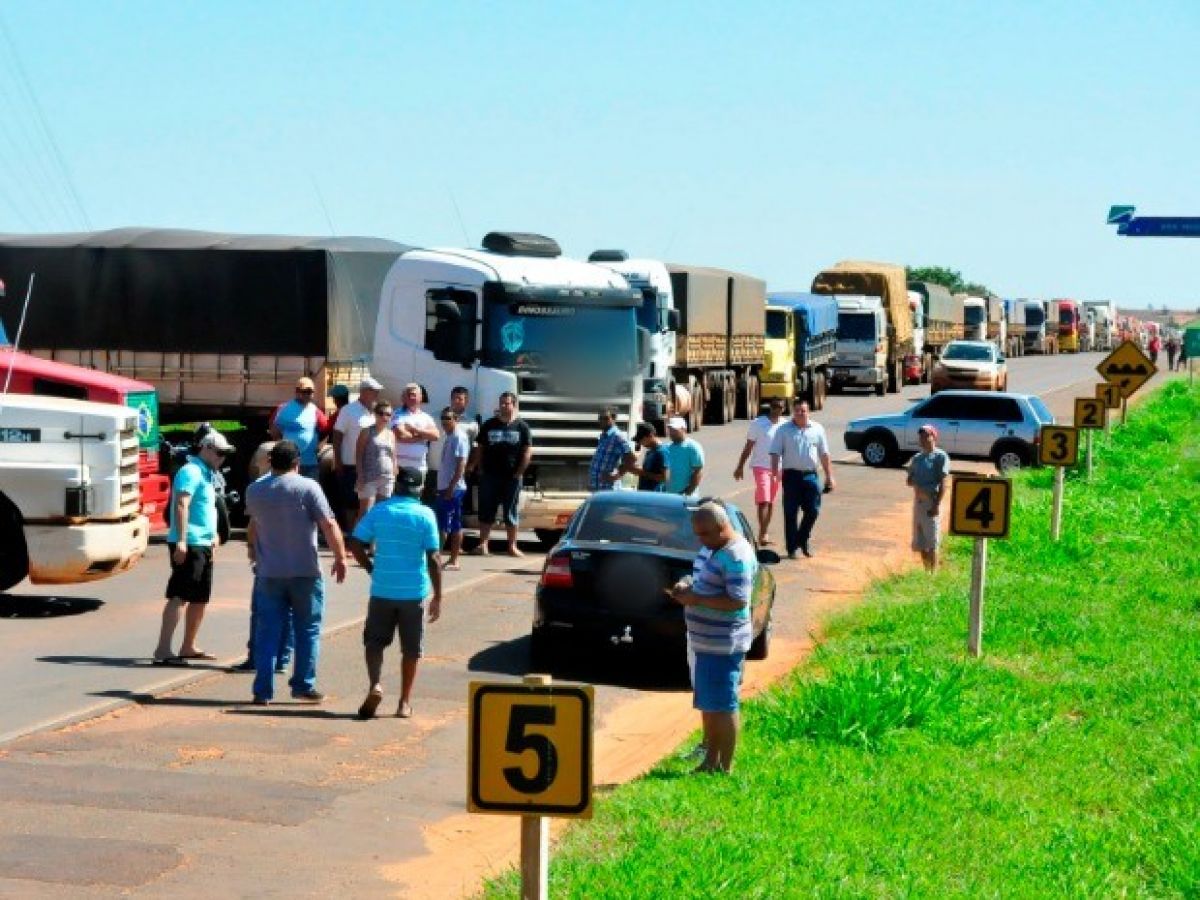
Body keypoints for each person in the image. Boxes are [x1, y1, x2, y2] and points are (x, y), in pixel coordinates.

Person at [245, 441, 349, 705]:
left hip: (269, 573)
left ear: (271, 462)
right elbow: (328, 523)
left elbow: (253, 526)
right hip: (305, 571)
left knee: (267, 632)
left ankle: (262, 689)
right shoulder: (308, 488)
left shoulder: (255, 491)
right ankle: (303, 684)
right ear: (297, 462)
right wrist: (340, 556)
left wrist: (253, 552)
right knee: (308, 630)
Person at [668, 502, 758, 774]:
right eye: (697, 534)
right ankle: (710, 761)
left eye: (705, 534)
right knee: (711, 704)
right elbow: (701, 578)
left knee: (724, 705)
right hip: (705, 642)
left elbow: (737, 601)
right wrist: (686, 585)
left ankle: (724, 767)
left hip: (723, 643)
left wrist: (696, 598)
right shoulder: (712, 548)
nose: (701, 540)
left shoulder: (736, 555)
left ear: (723, 527)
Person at [348, 467, 442, 720]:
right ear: (420, 490)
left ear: (396, 487)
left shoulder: (380, 511)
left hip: (382, 591)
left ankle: (375, 685)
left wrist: (371, 568)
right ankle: (404, 703)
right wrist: (438, 596)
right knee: (411, 650)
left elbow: (355, 543)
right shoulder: (425, 515)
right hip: (414, 594)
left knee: (374, 643)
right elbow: (433, 557)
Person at [151, 430, 234, 665]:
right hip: (190, 543)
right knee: (180, 595)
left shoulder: (208, 473)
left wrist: (215, 535)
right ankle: (163, 650)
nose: (222, 458)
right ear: (206, 448)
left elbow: (209, 508)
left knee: (200, 597)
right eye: (219, 453)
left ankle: (188, 646)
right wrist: (181, 541)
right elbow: (181, 504)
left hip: (204, 542)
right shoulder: (190, 471)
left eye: (225, 454)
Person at [467, 391, 533, 557]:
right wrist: (480, 469)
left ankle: (512, 546)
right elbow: (480, 448)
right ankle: (483, 545)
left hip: (512, 477)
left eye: (507, 403)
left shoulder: (522, 427)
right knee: (486, 510)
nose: (504, 406)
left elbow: (527, 451)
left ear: (514, 405)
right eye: (501, 403)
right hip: (490, 475)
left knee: (510, 512)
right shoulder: (489, 425)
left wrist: (519, 472)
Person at [769, 400, 835, 560]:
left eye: (803, 411)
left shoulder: (817, 429)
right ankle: (792, 548)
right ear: (793, 412)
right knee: (790, 513)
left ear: (808, 412)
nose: (800, 413)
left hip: (810, 475)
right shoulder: (783, 430)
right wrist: (775, 472)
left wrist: (829, 476)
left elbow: (824, 454)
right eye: (797, 410)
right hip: (791, 476)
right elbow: (775, 453)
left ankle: (803, 538)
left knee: (813, 510)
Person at [733, 398, 785, 545]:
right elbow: (749, 446)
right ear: (770, 407)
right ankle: (762, 534)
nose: (777, 410)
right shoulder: (758, 423)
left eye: (780, 407)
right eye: (775, 406)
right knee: (764, 500)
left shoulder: (785, 425)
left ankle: (765, 530)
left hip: (778, 468)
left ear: (783, 409)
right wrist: (740, 466)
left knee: (771, 501)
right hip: (761, 467)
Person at [332, 376, 382, 530]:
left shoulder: (375, 412)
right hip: (350, 465)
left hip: (370, 466)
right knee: (350, 502)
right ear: (364, 392)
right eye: (374, 391)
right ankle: (349, 534)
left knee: (366, 502)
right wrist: (338, 461)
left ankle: (360, 536)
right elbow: (337, 436)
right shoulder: (348, 411)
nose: (377, 394)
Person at [906, 424, 950, 573]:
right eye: (921, 436)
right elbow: (909, 480)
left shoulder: (940, 456)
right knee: (921, 542)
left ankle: (934, 573)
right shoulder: (917, 458)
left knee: (932, 542)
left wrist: (937, 505)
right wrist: (912, 479)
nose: (923, 439)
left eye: (926, 435)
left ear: (934, 437)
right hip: (918, 502)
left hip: (931, 501)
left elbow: (944, 482)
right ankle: (927, 572)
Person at [269, 376, 330, 480]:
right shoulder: (284, 409)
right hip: (288, 465)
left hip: (310, 464)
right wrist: (281, 446)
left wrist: (320, 446)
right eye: (305, 391)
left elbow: (327, 430)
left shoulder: (315, 410)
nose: (309, 395)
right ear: (297, 392)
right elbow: (273, 428)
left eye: (311, 392)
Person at [425, 386, 477, 506]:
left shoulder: (472, 423)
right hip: (434, 468)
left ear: (466, 401)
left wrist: (470, 467)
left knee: (451, 507)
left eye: (460, 399)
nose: (456, 401)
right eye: (454, 398)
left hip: (453, 473)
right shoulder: (435, 417)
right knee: (430, 504)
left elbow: (474, 448)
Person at [435, 406, 470, 570]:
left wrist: (451, 487)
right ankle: (452, 560)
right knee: (454, 523)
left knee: (445, 524)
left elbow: (461, 464)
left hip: (453, 488)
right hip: (446, 486)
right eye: (443, 418)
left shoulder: (458, 437)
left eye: (448, 418)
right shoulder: (449, 436)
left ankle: (436, 558)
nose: (444, 421)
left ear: (456, 419)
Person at [391, 382, 440, 485]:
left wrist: (415, 430)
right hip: (399, 465)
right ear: (403, 398)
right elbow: (402, 436)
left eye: (414, 395)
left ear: (421, 397)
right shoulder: (397, 414)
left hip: (419, 466)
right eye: (408, 395)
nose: (412, 397)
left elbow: (436, 436)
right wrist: (424, 436)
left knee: (415, 497)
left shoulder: (426, 417)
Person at [355, 400, 397, 518]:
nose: (384, 417)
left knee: (382, 513)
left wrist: (395, 473)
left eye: (388, 414)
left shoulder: (391, 434)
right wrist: (360, 475)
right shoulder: (367, 431)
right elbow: (358, 455)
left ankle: (376, 537)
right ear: (375, 414)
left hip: (387, 478)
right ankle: (357, 537)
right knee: (366, 512)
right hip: (369, 477)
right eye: (381, 413)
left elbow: (393, 456)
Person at [588, 407, 635, 491]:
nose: (602, 421)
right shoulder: (604, 436)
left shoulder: (618, 437)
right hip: (598, 487)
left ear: (614, 419)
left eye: (606, 418)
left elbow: (631, 459)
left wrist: (616, 476)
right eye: (600, 418)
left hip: (608, 488)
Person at [664, 416, 704, 497]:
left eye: (675, 430)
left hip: (686, 496)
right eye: (670, 430)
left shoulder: (692, 447)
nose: (672, 433)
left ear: (684, 429)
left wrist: (688, 493)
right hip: (668, 495)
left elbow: (698, 472)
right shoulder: (666, 447)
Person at [631, 422, 670, 492]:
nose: (640, 443)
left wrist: (640, 472)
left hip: (655, 497)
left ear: (651, 436)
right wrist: (636, 469)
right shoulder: (649, 451)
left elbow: (665, 478)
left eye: (641, 440)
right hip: (644, 493)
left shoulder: (662, 452)